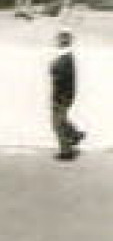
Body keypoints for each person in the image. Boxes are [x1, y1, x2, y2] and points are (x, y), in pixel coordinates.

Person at [50, 31, 85, 161]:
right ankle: (75, 135)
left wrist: (59, 97)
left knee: (57, 123)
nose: (56, 42)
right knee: (61, 120)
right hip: (64, 94)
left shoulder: (65, 58)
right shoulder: (67, 56)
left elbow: (59, 77)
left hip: (61, 95)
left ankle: (66, 151)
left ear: (62, 42)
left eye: (58, 40)